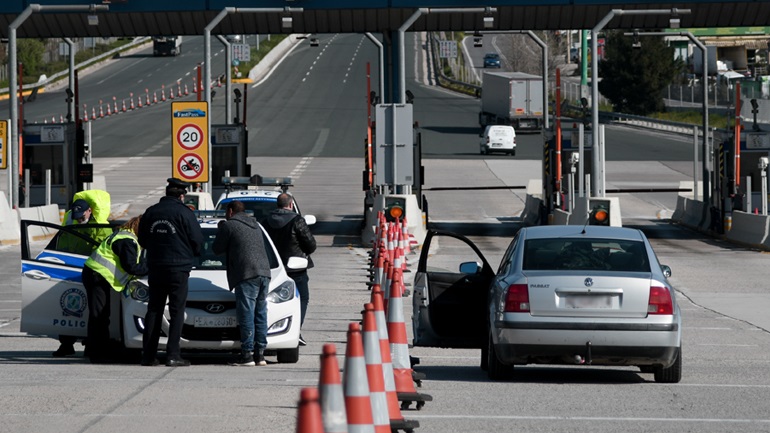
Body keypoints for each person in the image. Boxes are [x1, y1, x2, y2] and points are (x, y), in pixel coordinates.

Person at [138, 178, 203, 367]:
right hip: (178, 268)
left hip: (156, 266)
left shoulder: (151, 212)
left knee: (154, 309)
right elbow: (197, 239)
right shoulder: (184, 213)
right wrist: (192, 253)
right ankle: (173, 354)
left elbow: (142, 239)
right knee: (176, 311)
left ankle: (148, 356)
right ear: (181, 196)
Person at [53, 190, 113, 357]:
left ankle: (91, 344)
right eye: (76, 215)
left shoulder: (102, 228)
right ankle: (66, 343)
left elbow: (103, 251)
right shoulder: (70, 224)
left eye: (82, 215)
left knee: (94, 311)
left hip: (92, 273)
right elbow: (61, 244)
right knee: (68, 308)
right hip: (70, 270)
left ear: (90, 211)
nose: (79, 219)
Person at [212, 201, 272, 366]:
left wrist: (221, 230)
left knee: (247, 313)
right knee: (260, 313)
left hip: (246, 274)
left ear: (230, 211)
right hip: (264, 273)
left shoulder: (229, 225)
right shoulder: (255, 224)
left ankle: (247, 354)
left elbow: (216, 249)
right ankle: (260, 354)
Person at [82, 215, 148, 363]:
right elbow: (131, 266)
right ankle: (97, 354)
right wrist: (151, 266)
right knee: (99, 316)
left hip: (96, 274)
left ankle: (92, 349)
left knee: (99, 315)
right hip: (97, 276)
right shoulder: (127, 241)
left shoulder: (124, 235)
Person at [263, 193, 316, 346]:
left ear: (277, 205)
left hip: (273, 268)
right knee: (302, 299)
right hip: (296, 269)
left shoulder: (265, 222)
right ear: (291, 204)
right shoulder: (297, 221)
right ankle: (295, 331)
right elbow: (311, 245)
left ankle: (269, 330)